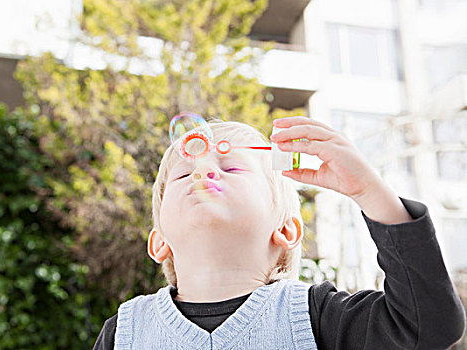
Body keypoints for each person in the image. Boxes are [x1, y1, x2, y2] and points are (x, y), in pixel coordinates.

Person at [93, 116, 466, 349]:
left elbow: (427, 326)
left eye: (233, 169)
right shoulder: (124, 331)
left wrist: (369, 192)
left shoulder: (316, 317)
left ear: (285, 229)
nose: (205, 174)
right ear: (159, 242)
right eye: (184, 174)